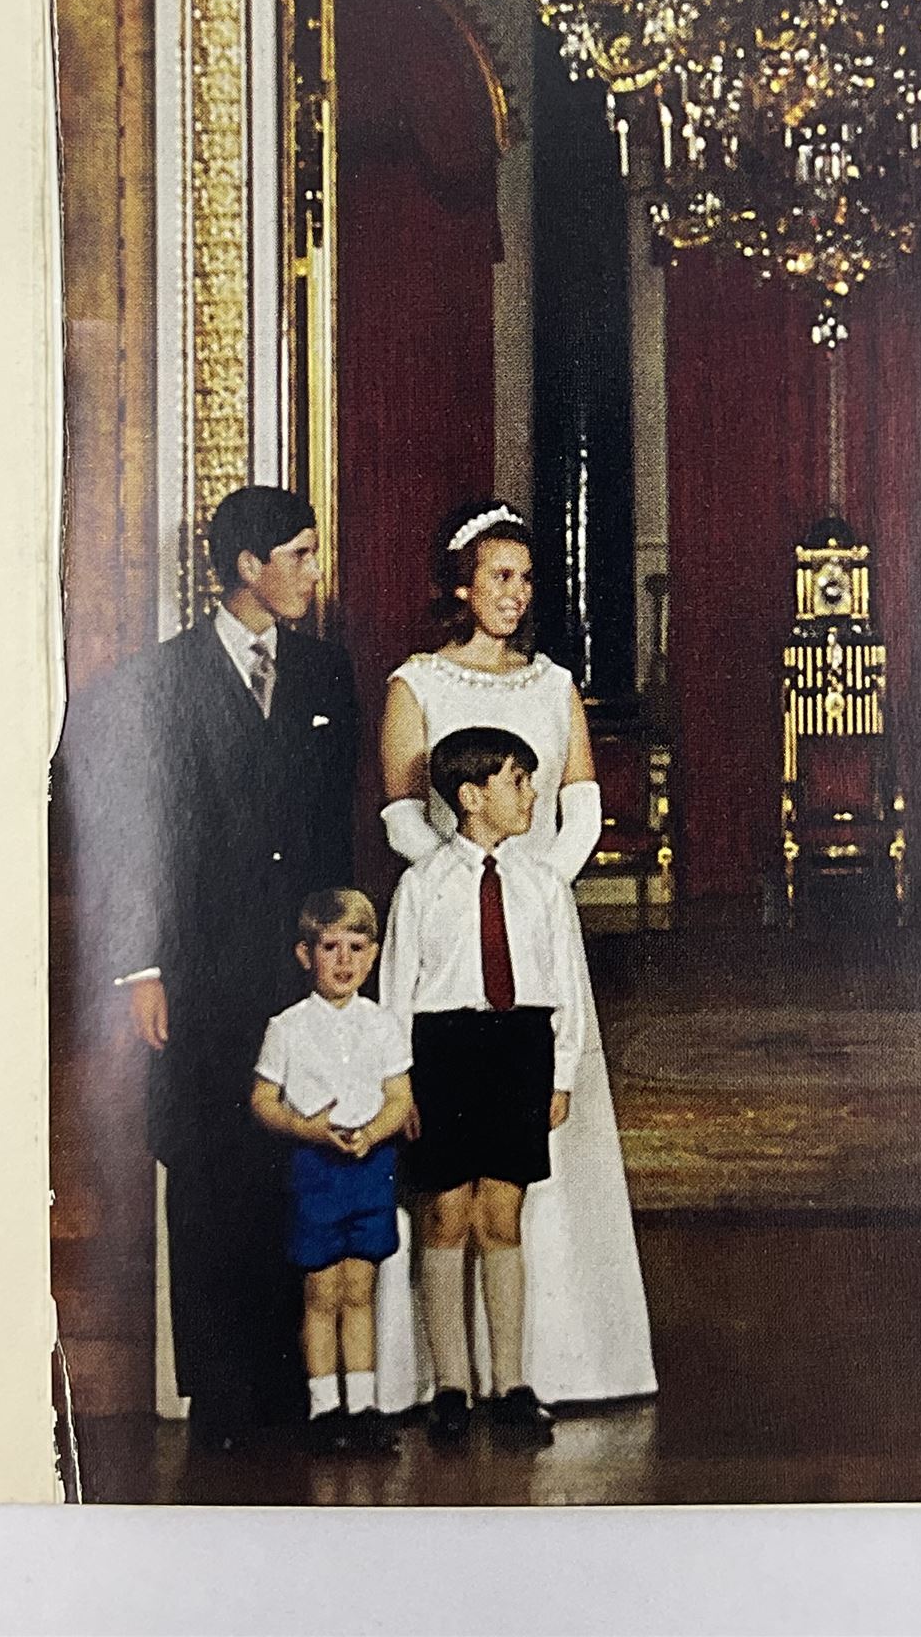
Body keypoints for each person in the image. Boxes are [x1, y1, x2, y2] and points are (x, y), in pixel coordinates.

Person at [61, 485, 358, 1449]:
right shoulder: (159, 683)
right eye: (302, 556)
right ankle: (224, 1399)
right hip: (198, 970)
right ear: (247, 568)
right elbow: (130, 834)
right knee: (207, 1167)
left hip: (300, 967)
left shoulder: (325, 675)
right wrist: (141, 966)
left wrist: (341, 954)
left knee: (295, 1162)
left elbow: (333, 833)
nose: (314, 573)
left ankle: (295, 1390)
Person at [372, 500, 655, 1413]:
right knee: (448, 1202)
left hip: (529, 925)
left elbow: (581, 805)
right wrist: (470, 871)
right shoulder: (415, 683)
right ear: (461, 584)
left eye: (527, 578)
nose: (516, 593)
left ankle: (544, 1368)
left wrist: (530, 879)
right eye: (499, 576)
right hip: (457, 926)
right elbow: (403, 816)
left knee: (520, 1192)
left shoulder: (551, 682)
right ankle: (447, 1379)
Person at [379, 727, 591, 1450]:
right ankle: (450, 1386)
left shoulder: (541, 885)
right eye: (519, 782)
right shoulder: (422, 886)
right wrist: (400, 1084)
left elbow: (565, 988)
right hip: (443, 1051)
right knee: (447, 1216)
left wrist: (560, 1074)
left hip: (519, 1048)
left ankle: (511, 1382)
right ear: (472, 798)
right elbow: (397, 991)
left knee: (502, 1216)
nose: (532, 795)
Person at [250, 888, 413, 1454]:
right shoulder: (288, 1027)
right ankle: (325, 1409)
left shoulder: (383, 1024)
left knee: (360, 1287)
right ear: (305, 955)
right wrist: (307, 1128)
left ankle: (363, 1406)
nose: (343, 961)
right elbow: (263, 1101)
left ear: (371, 956)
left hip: (370, 1168)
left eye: (356, 947)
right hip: (316, 1169)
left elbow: (399, 1098)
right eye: (330, 947)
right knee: (322, 1290)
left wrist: (373, 1132)